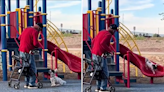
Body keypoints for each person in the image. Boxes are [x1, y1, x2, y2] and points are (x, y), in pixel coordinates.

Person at [91, 24, 117, 92]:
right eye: (114, 31)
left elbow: (93, 41)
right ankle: (103, 88)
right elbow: (103, 43)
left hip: (94, 53)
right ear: (113, 30)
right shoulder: (109, 35)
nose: (114, 33)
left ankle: (98, 87)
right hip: (100, 54)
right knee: (104, 72)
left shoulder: (101, 32)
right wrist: (109, 51)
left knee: (97, 71)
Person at [18, 22, 43, 89]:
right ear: (38, 27)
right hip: (28, 51)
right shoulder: (34, 31)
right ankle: (31, 83)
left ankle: (27, 83)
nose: (39, 31)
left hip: (21, 50)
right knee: (32, 67)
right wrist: (40, 46)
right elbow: (35, 43)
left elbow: (19, 38)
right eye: (40, 29)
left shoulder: (26, 29)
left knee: (25, 67)